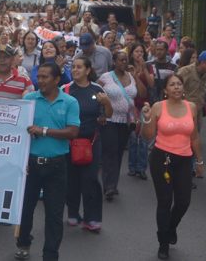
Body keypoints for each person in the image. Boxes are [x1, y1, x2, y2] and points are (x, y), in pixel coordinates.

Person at [14, 62, 80, 261]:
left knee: (54, 214)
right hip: (31, 165)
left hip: (57, 165)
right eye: (39, 77)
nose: (40, 81)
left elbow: (73, 132)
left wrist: (42, 131)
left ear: (57, 79)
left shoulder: (69, 102)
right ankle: (23, 242)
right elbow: (19, 131)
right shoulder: (29, 99)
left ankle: (50, 254)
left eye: (45, 77)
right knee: (26, 208)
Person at [141, 74, 203, 260]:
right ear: (165, 90)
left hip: (185, 159)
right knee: (165, 202)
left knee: (184, 201)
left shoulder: (191, 107)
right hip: (162, 159)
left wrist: (199, 161)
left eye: (179, 84)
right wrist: (146, 119)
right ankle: (163, 243)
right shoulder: (158, 107)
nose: (176, 87)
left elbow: (194, 137)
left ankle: (171, 227)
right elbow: (148, 136)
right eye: (172, 85)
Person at [65, 57, 112, 232]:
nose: (75, 70)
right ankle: (72, 213)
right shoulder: (66, 90)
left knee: (91, 179)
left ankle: (92, 218)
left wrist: (106, 103)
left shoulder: (97, 89)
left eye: (79, 67)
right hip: (70, 142)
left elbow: (107, 114)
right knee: (71, 179)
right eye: (73, 67)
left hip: (91, 141)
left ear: (87, 70)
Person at [97, 50, 138, 201]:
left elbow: (138, 94)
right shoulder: (105, 78)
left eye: (126, 60)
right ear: (114, 62)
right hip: (109, 120)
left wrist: (136, 75)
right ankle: (109, 186)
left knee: (119, 152)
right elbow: (96, 94)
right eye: (121, 60)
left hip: (125, 121)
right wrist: (100, 112)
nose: (124, 63)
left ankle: (113, 182)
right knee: (110, 152)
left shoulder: (131, 77)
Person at [128, 43, 152, 180]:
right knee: (132, 136)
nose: (139, 54)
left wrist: (142, 71)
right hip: (131, 105)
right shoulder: (128, 68)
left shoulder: (148, 66)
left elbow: (150, 85)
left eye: (141, 52)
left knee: (143, 138)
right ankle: (132, 167)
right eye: (136, 51)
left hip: (144, 104)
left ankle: (141, 168)